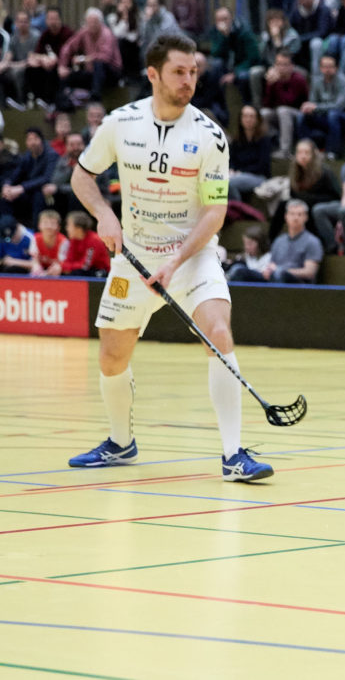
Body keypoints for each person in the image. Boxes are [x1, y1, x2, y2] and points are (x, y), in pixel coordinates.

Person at [68, 33, 273, 480]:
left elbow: (216, 212)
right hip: (134, 258)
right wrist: (105, 215)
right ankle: (121, 444)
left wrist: (176, 261)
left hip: (191, 257)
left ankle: (233, 455)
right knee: (111, 357)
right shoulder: (120, 124)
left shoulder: (210, 136)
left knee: (218, 332)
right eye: (179, 72)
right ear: (153, 74)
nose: (189, 81)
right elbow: (82, 177)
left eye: (194, 72)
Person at [269, 138, 339, 238]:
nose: (303, 156)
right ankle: (272, 241)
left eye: (307, 153)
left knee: (308, 209)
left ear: (313, 155)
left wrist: (308, 199)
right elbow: (293, 195)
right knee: (283, 205)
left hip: (320, 207)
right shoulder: (295, 171)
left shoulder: (324, 171)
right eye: (300, 153)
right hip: (302, 205)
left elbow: (336, 196)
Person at [58, 8, 123, 102]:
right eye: (89, 23)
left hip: (112, 73)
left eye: (95, 22)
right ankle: (61, 103)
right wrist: (62, 66)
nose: (92, 25)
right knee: (68, 75)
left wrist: (84, 59)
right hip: (93, 73)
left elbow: (105, 58)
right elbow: (68, 47)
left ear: (100, 22)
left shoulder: (106, 33)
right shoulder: (84, 32)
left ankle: (95, 97)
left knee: (98, 64)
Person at [1, 127, 57, 224]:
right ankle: (7, 229)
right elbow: (16, 173)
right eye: (29, 139)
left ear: (41, 140)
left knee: (38, 196)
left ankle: (36, 232)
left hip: (44, 191)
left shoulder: (51, 155)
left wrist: (21, 187)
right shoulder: (27, 155)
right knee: (6, 197)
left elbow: (46, 178)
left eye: (35, 139)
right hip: (27, 190)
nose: (32, 142)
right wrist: (7, 185)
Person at [263, 200, 323, 283]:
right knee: (240, 271)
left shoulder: (312, 241)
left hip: (300, 284)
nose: (296, 218)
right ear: (286, 216)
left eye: (300, 214)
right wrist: (268, 271)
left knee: (279, 273)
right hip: (276, 277)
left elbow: (310, 272)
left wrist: (282, 270)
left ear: (306, 217)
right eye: (292, 214)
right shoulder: (278, 241)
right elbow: (271, 265)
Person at [227, 105, 273, 203]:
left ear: (257, 119)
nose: (248, 119)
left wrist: (241, 172)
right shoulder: (236, 139)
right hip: (238, 175)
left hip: (258, 176)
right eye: (245, 116)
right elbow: (232, 160)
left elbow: (262, 166)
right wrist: (231, 169)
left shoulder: (264, 140)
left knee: (228, 183)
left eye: (252, 116)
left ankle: (238, 208)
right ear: (240, 119)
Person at [59, 210, 111, 277]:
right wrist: (63, 266)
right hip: (84, 270)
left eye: (69, 225)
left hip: (100, 271)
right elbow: (68, 260)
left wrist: (66, 267)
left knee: (78, 273)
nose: (66, 228)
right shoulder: (74, 240)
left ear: (78, 228)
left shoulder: (94, 240)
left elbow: (85, 265)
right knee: (65, 273)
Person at [29, 208, 66, 276]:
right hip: (42, 268)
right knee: (34, 269)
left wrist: (47, 274)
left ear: (58, 227)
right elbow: (35, 260)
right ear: (39, 225)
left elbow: (62, 263)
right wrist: (36, 268)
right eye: (45, 223)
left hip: (57, 269)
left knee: (57, 268)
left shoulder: (63, 241)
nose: (49, 226)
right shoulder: (35, 238)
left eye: (52, 223)